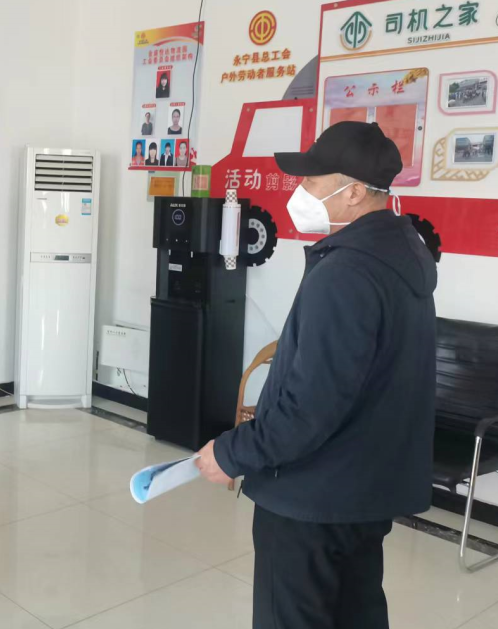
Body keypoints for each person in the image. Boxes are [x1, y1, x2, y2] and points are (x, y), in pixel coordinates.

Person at [196, 121, 437, 629]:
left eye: (311, 181)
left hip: (311, 497)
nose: (300, 192)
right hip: (362, 489)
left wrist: (233, 453)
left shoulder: (347, 272)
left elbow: (310, 407)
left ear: (353, 193)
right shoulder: (401, 253)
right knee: (354, 612)